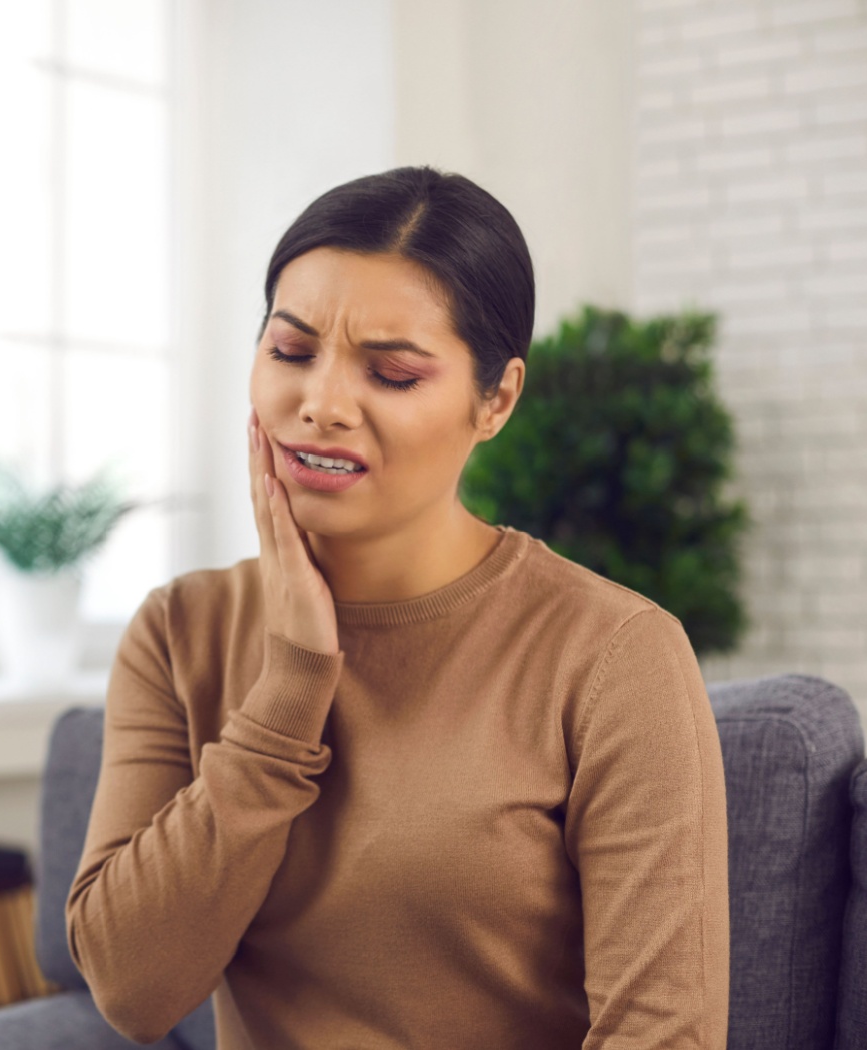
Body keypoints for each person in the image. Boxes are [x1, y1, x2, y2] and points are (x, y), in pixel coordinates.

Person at [65, 166, 730, 1050]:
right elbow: (131, 990)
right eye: (291, 352)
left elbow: (662, 1035)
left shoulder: (614, 655)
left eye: (392, 373)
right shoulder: (179, 631)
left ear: (495, 400)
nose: (321, 405)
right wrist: (290, 686)